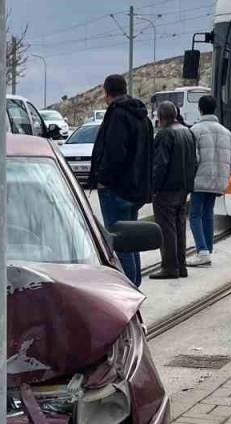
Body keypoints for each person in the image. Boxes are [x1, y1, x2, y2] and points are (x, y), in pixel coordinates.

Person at [86, 74, 154, 286]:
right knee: (131, 240)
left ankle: (128, 287)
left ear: (107, 93)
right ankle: (135, 283)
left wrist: (102, 178)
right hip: (135, 188)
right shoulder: (142, 116)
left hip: (116, 188)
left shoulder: (117, 115)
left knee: (119, 242)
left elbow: (115, 152)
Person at [148, 101, 198, 280]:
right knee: (179, 226)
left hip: (167, 189)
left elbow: (160, 164)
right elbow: (195, 160)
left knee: (167, 228)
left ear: (160, 117)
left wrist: (154, 188)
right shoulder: (187, 131)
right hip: (183, 187)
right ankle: (181, 265)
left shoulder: (165, 134)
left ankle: (170, 267)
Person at [187, 94, 231, 268]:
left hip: (200, 179)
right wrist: (225, 177)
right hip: (218, 181)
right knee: (208, 213)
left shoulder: (195, 130)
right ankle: (208, 247)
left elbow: (194, 158)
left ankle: (202, 251)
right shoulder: (226, 132)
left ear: (200, 109)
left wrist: (189, 178)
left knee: (194, 215)